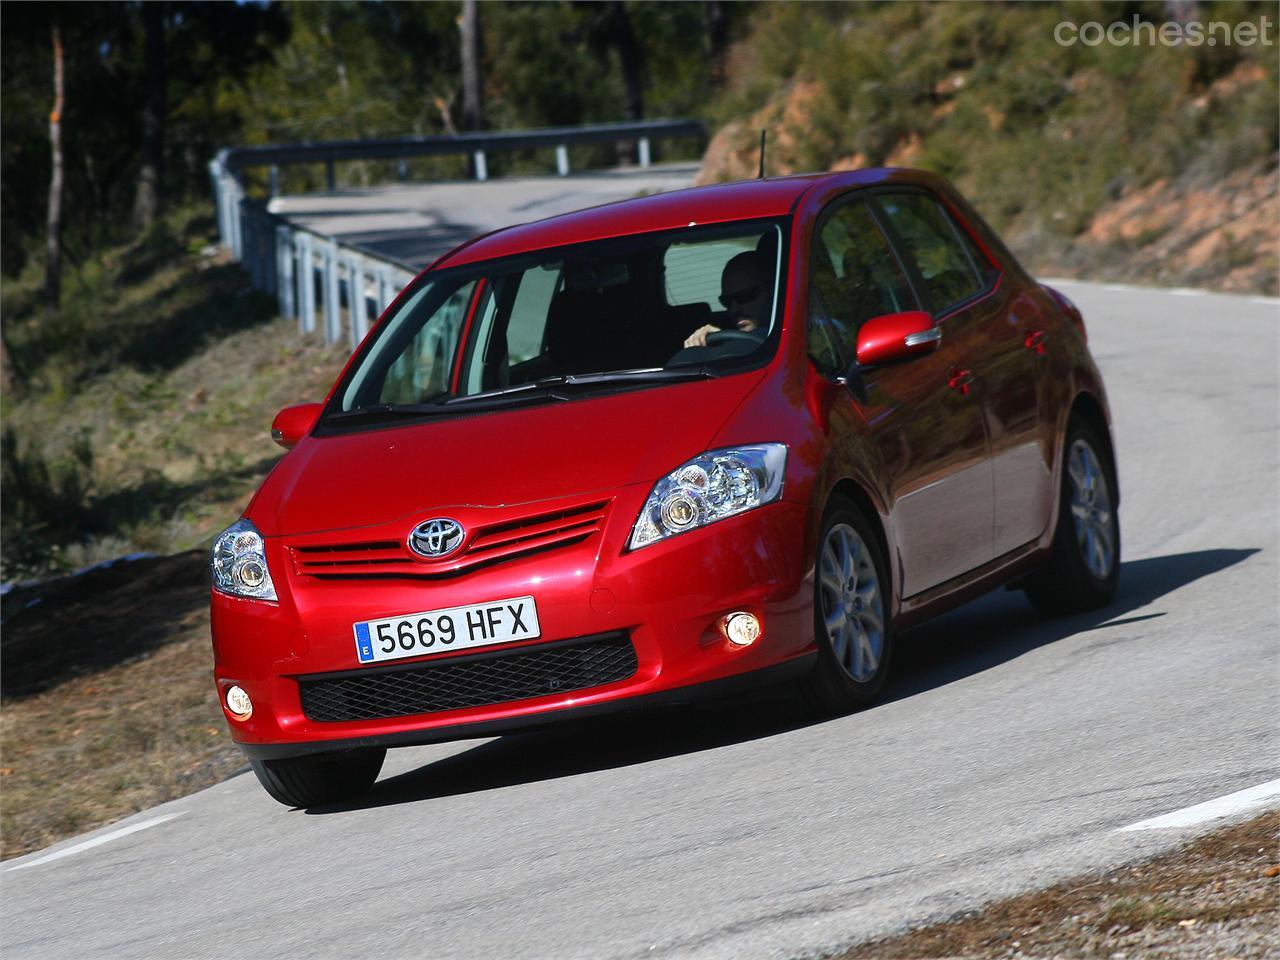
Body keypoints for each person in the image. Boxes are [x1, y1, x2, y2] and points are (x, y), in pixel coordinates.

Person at [683, 251, 772, 349]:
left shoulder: (785, 335)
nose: (734, 309)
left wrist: (726, 343)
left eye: (744, 296)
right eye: (726, 301)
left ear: (771, 292)